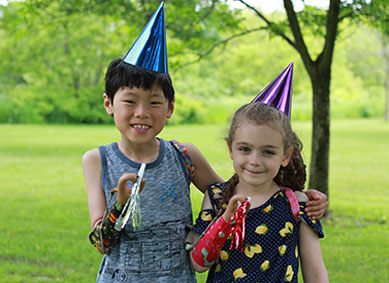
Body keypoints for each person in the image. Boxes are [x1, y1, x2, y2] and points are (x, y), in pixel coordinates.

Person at [82, 3, 328, 282]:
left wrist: (306, 199)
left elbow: (240, 190)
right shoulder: (97, 160)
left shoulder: (184, 155)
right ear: (108, 103)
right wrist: (121, 205)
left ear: (170, 108)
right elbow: (102, 243)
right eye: (130, 101)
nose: (142, 113)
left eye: (154, 102)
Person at [187, 102, 329, 282]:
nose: (255, 161)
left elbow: (316, 274)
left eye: (268, 152)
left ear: (285, 156)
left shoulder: (297, 204)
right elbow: (198, 264)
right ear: (231, 148)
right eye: (245, 149)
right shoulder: (216, 197)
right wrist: (225, 219)